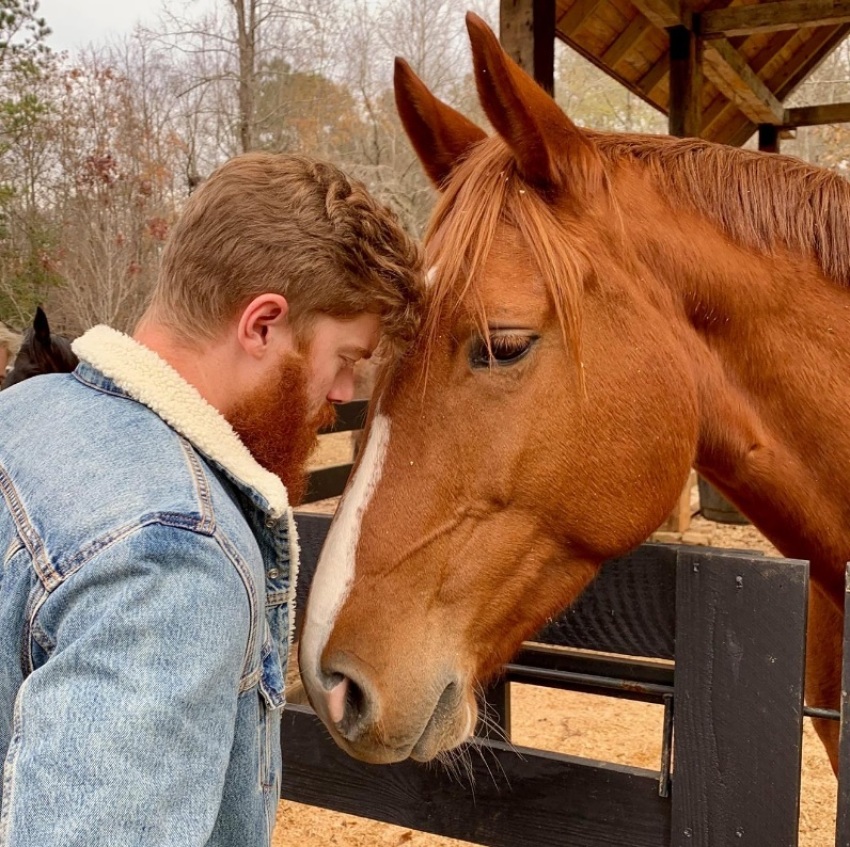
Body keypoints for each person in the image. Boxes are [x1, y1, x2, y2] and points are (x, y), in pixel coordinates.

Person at [0, 152, 423, 846]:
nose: (344, 393)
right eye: (345, 358)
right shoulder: (177, 555)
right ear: (261, 325)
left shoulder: (24, 416)